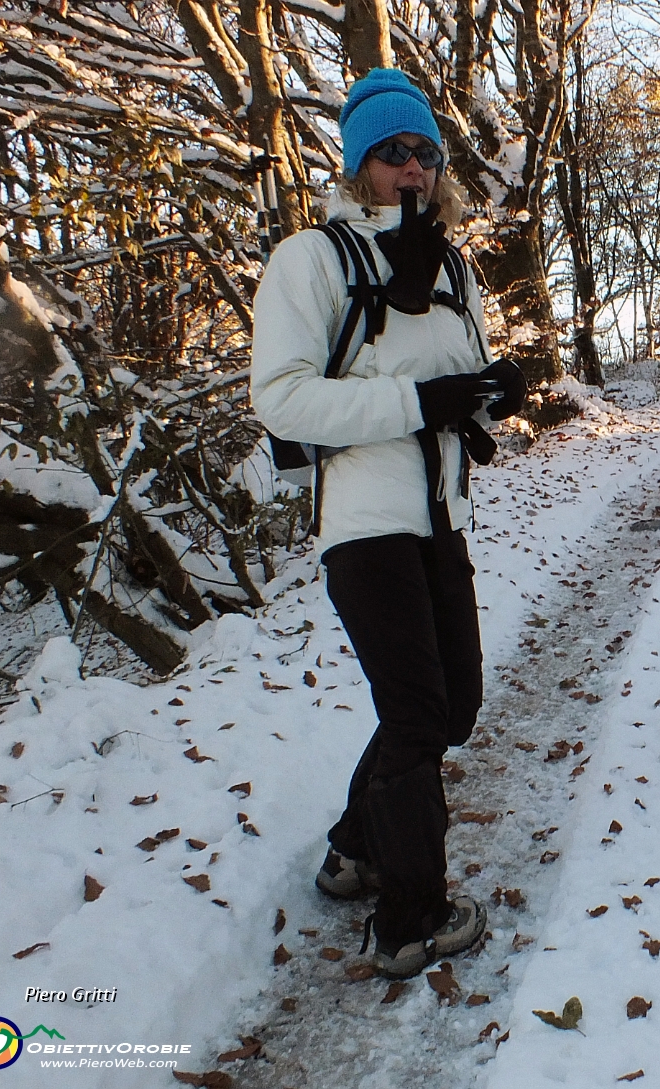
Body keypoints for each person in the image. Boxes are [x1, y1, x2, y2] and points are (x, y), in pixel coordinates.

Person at [249, 68, 525, 978]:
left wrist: (489, 398)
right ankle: (411, 918)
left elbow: (458, 391)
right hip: (364, 526)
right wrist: (419, 401)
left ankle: (353, 851)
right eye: (391, 152)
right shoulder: (312, 260)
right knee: (413, 714)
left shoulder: (452, 267)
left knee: (455, 707)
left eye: (424, 154)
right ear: (359, 162)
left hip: (441, 517)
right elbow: (283, 402)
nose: (411, 168)